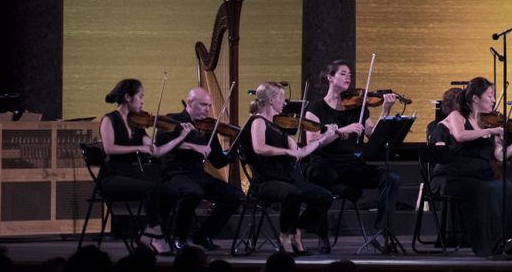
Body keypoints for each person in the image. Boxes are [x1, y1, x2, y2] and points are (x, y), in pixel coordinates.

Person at [436, 76, 512, 257]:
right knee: (490, 190)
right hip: (461, 177)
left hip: (484, 175)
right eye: (489, 95)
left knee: (508, 188)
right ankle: (493, 245)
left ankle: (511, 243)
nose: (493, 100)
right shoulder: (457, 116)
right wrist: (489, 131)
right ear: (475, 98)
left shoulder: (490, 122)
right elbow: (460, 135)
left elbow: (500, 155)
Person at [303, 61, 403, 248]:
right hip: (325, 166)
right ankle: (321, 233)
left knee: (391, 178)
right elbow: (312, 143)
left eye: (349, 74)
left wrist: (385, 110)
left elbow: (374, 135)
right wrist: (341, 130)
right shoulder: (315, 109)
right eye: (343, 73)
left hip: (352, 167)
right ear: (330, 78)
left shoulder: (358, 107)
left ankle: (381, 232)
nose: (348, 77)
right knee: (318, 175)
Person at [240, 82, 337, 255]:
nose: (284, 102)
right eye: (282, 98)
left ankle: (297, 230)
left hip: (287, 179)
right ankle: (284, 236)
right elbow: (259, 148)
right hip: (266, 181)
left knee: (324, 196)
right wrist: (286, 151)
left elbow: (300, 152)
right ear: (271, 100)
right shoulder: (258, 121)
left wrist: (323, 138)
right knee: (293, 193)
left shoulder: (279, 128)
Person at [98, 79, 192, 254]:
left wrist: (180, 138)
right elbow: (109, 148)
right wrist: (138, 148)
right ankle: (158, 236)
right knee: (151, 189)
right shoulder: (109, 120)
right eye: (140, 97)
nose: (142, 101)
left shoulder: (137, 125)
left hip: (130, 176)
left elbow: (156, 152)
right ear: (128, 97)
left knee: (170, 192)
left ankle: (148, 234)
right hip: (111, 178)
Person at [159, 87, 242, 250]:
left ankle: (203, 235)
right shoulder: (173, 120)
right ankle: (179, 236)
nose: (207, 109)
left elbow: (217, 161)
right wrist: (193, 147)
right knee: (193, 191)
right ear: (190, 103)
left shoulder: (207, 128)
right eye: (203, 105)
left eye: (209, 105)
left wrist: (234, 152)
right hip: (175, 174)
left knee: (235, 196)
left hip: (198, 175)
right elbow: (161, 144)